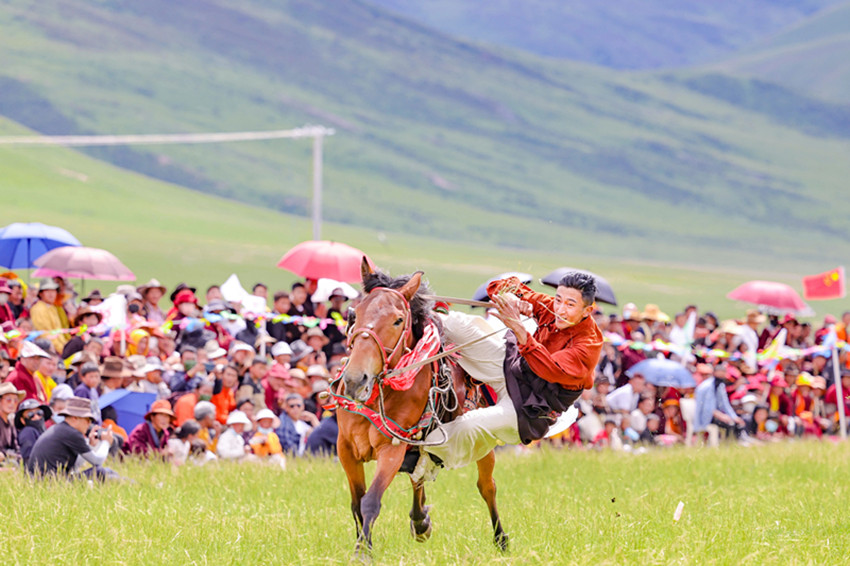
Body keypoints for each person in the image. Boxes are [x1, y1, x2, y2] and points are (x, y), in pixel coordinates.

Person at [414, 272, 603, 481]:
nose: (560, 309)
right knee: (457, 324)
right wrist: (512, 298)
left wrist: (519, 328)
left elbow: (549, 368)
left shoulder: (588, 345)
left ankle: (430, 456)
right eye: (558, 300)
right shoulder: (551, 307)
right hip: (512, 369)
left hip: (530, 408)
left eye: (570, 305)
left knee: (469, 425)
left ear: (587, 310)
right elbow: (500, 285)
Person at [26, 397, 116, 480]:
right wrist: (106, 442)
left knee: (107, 472)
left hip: (45, 481)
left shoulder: (62, 429)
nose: (89, 424)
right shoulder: (72, 433)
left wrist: (91, 446)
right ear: (74, 418)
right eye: (87, 420)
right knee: (100, 472)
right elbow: (97, 461)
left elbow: (75, 465)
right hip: (51, 483)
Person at [694, 363, 745, 441]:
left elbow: (725, 404)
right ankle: (726, 444)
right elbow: (705, 407)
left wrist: (734, 417)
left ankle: (735, 442)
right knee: (729, 425)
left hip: (716, 415)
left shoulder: (720, 386)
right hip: (704, 417)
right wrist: (720, 415)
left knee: (736, 423)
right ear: (714, 373)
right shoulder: (705, 387)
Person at [29, 279, 71, 351]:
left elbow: (58, 332)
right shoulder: (38, 309)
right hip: (48, 347)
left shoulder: (53, 308)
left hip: (60, 346)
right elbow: (44, 334)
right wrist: (62, 349)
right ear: (41, 294)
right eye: (47, 291)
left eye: (53, 291)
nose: (51, 294)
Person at [14, 398, 51, 466]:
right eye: (30, 414)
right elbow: (28, 459)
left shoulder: (44, 432)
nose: (36, 417)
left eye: (39, 413)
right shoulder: (28, 432)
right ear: (22, 420)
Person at [0, 382, 24, 463]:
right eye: (9, 400)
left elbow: (16, 447)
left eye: (15, 401)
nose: (12, 404)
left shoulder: (10, 423)